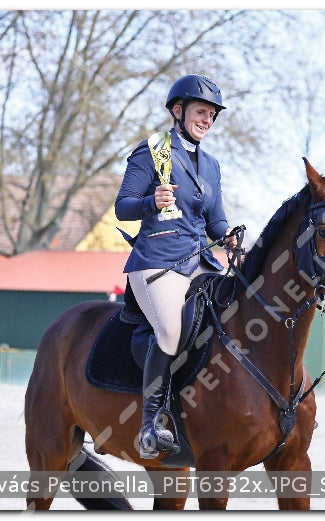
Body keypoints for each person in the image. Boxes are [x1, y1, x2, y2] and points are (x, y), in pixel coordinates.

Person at [115, 74, 238, 459]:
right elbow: (124, 207)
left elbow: (214, 221)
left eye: (213, 115)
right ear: (178, 110)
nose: (208, 120)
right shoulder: (153, 151)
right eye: (202, 112)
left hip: (200, 259)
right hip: (157, 260)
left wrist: (229, 234)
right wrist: (151, 200)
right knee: (170, 330)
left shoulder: (212, 166)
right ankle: (150, 425)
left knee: (237, 313)